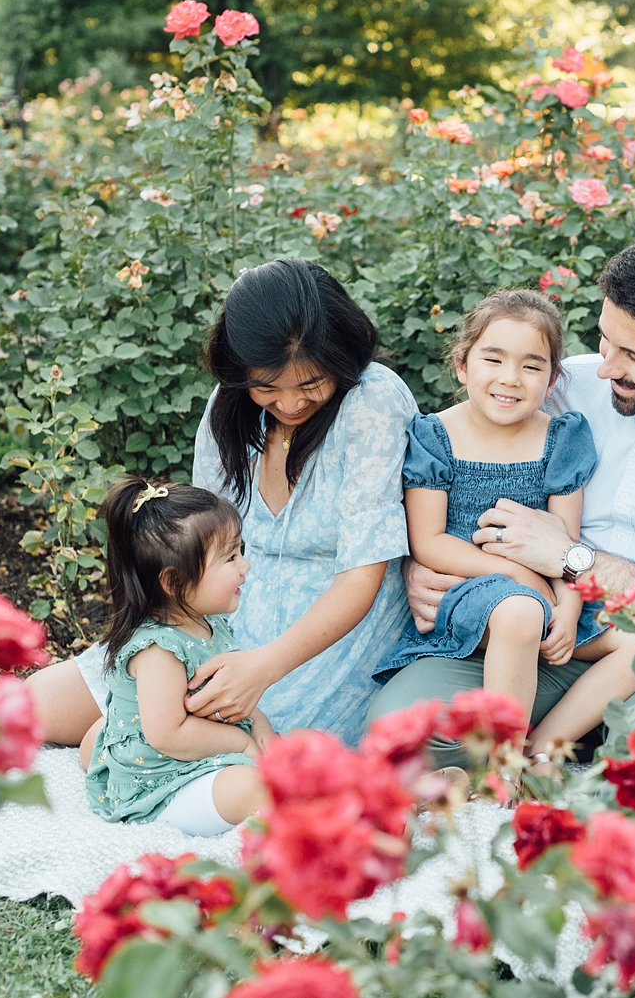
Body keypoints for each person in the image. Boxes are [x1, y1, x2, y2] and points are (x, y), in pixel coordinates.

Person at [365, 227, 635, 768]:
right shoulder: (566, 382)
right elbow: (464, 452)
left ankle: (557, 760)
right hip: (533, 633)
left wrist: (574, 562)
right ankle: (539, 760)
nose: (606, 367)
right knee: (399, 733)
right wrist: (421, 562)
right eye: (605, 339)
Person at [26, 259, 416, 747]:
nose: (291, 404)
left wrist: (261, 667)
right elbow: (198, 543)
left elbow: (363, 574)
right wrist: (172, 642)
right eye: (267, 387)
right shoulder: (230, 406)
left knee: (254, 745)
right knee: (34, 709)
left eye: (312, 384)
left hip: (328, 637)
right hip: (218, 610)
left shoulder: (372, 401)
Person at [375, 289, 635, 755]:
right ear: (462, 365)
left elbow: (566, 542)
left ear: (553, 379)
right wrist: (518, 575)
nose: (511, 379)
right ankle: (504, 762)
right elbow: (430, 543)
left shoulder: (562, 437)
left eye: (532, 366)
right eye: (493, 360)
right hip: (470, 591)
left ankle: (543, 746)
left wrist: (569, 610)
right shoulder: (436, 435)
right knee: (519, 611)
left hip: (545, 595)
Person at [85, 478, 271, 836]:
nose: (245, 566)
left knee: (299, 749)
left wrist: (262, 732)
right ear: (174, 581)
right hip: (162, 784)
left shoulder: (209, 623)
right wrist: (243, 743)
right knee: (251, 787)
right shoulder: (159, 649)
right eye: (231, 557)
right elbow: (168, 734)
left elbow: (232, 699)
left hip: (197, 758)